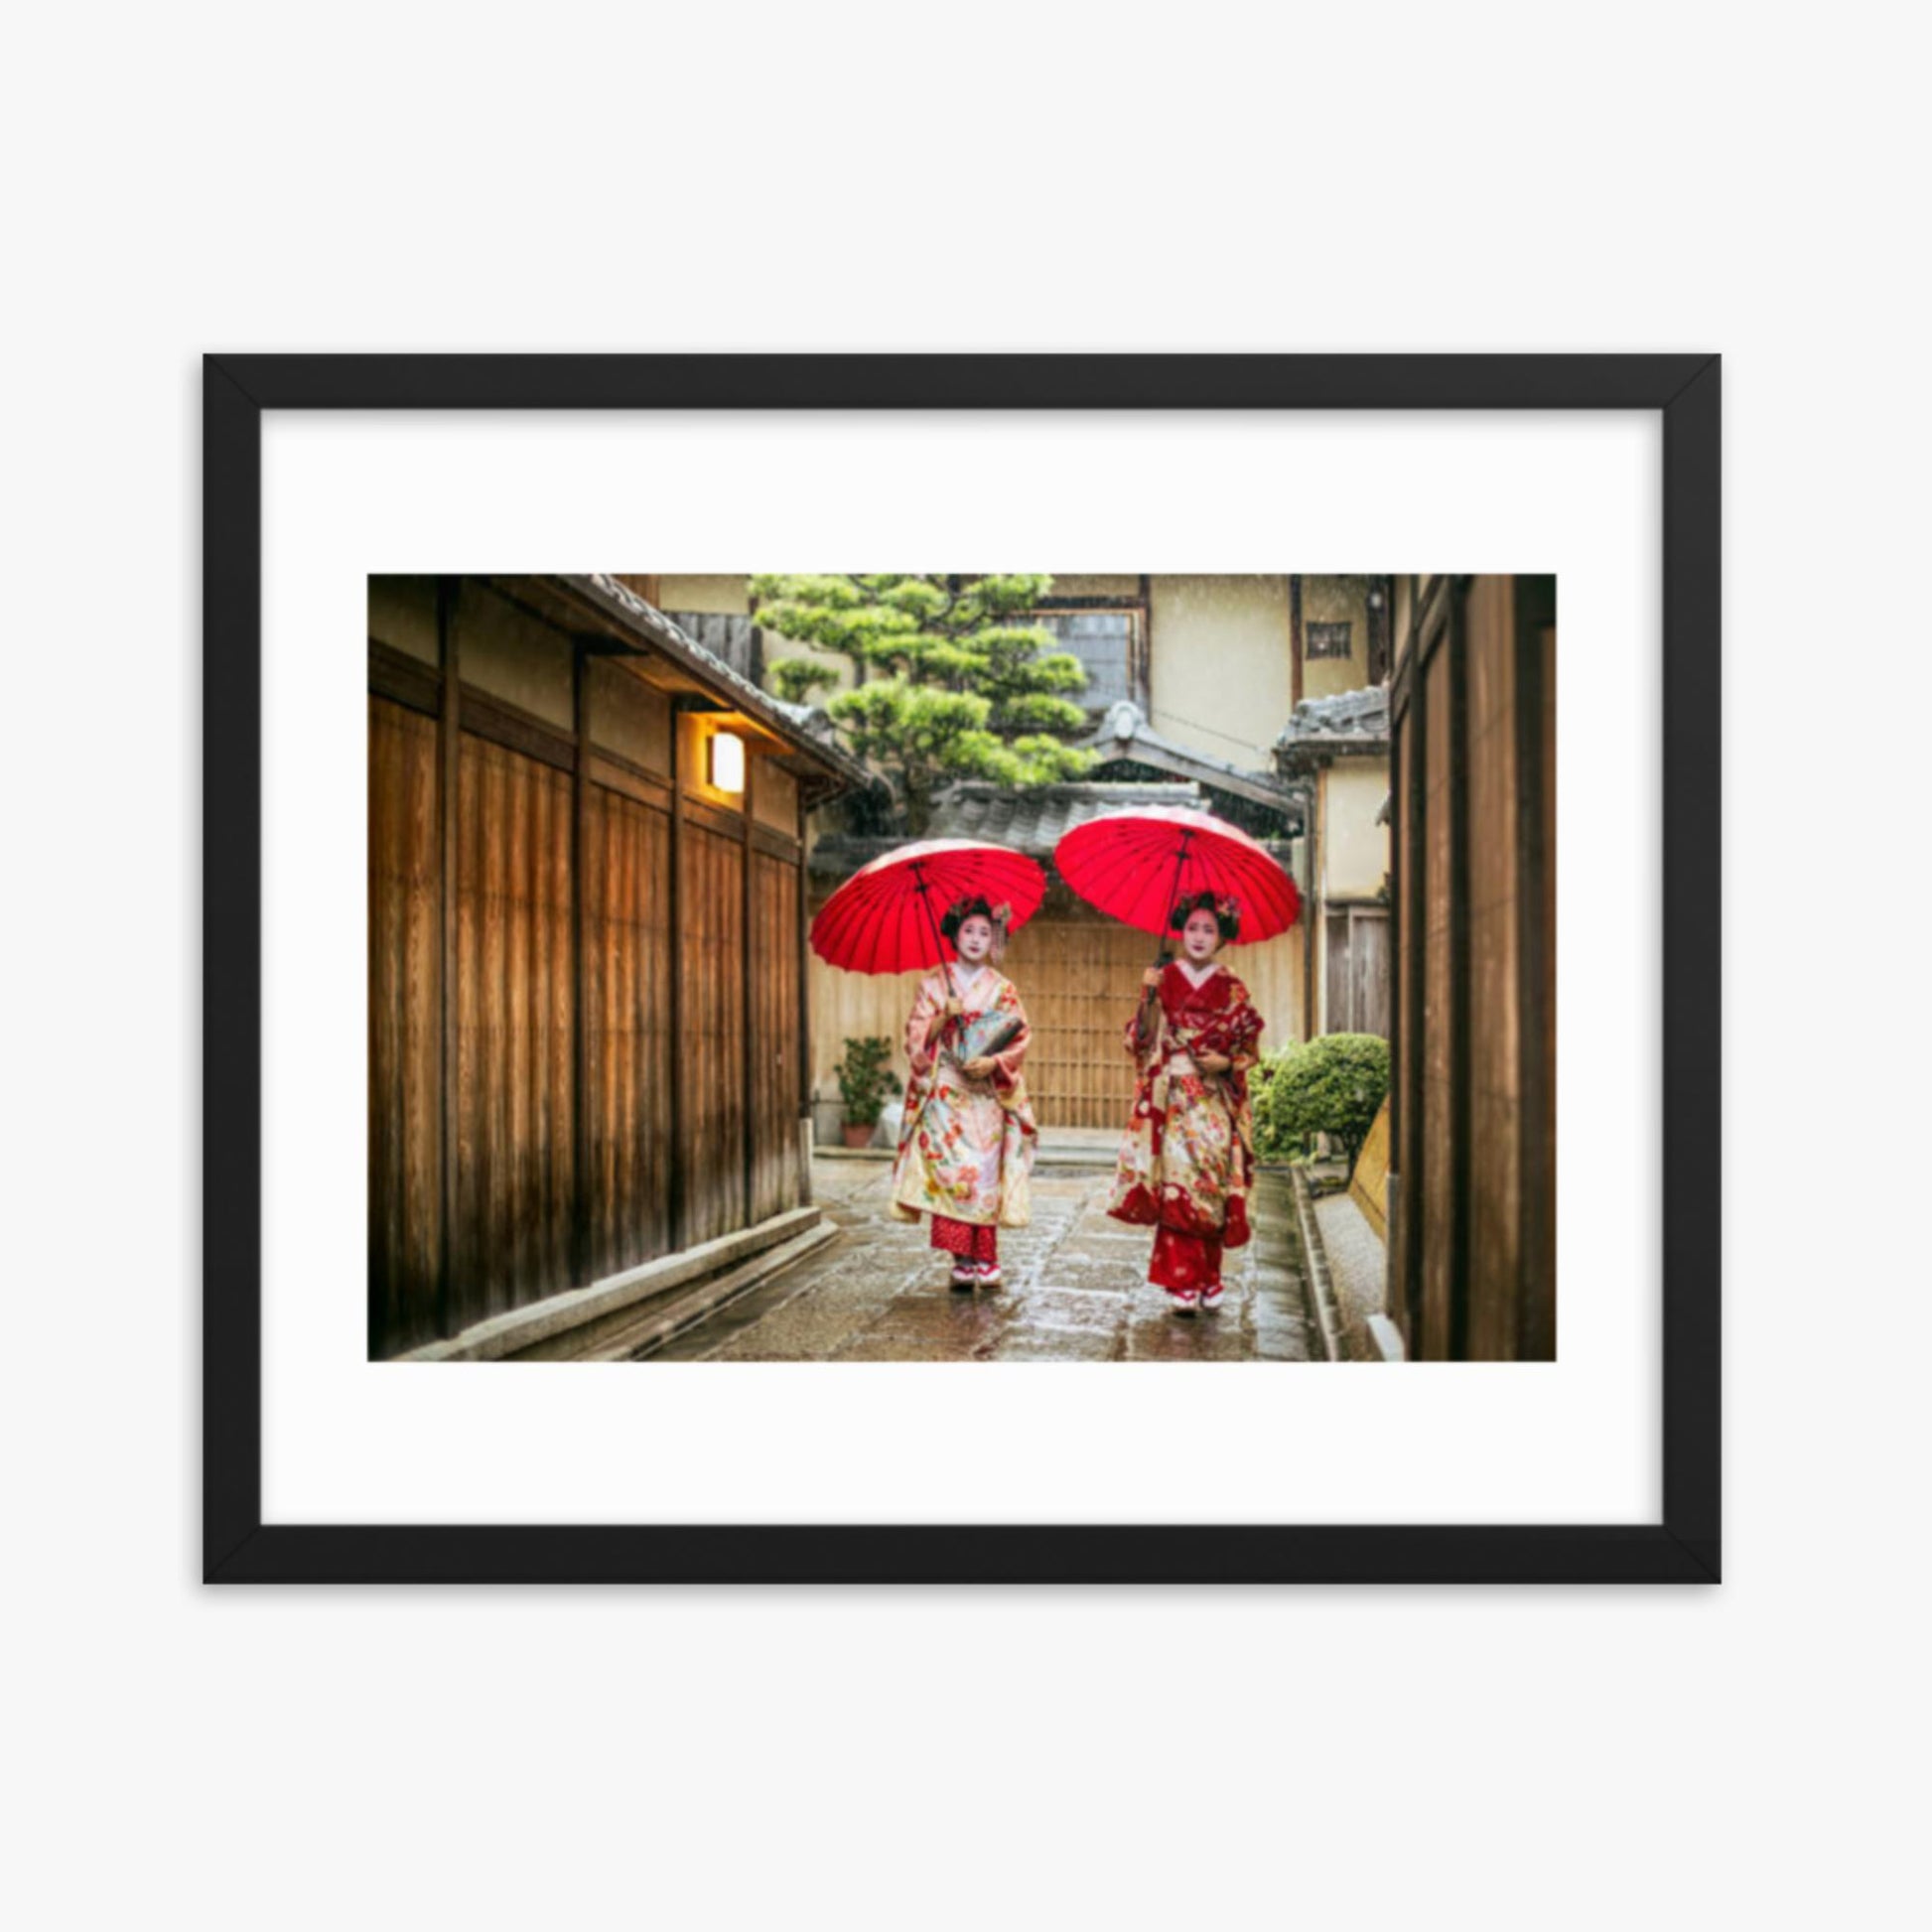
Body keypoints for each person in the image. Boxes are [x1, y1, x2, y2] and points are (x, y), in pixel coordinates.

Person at [1107, 890, 1264, 1315]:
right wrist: (1148, 996)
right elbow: (1139, 1041)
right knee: (1176, 1185)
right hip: (1173, 1100)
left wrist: (1226, 1061)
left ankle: (1210, 1276)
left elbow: (1250, 1047)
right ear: (1180, 929)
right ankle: (1181, 1281)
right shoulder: (1163, 976)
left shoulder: (1233, 987)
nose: (1198, 936)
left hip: (1212, 1099)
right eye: (1192, 927)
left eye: (1209, 929)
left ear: (1221, 937)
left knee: (1210, 1187)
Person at [890, 897, 1037, 1290]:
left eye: (984, 933)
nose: (975, 939)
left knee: (985, 1173)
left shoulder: (1003, 989)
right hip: (947, 1095)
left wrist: (995, 1063)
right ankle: (961, 1258)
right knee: (953, 1173)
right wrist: (942, 1017)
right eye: (968, 930)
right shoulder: (933, 984)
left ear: (994, 940)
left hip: (985, 1092)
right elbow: (916, 1042)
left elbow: (1019, 1036)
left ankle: (986, 1257)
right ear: (954, 934)